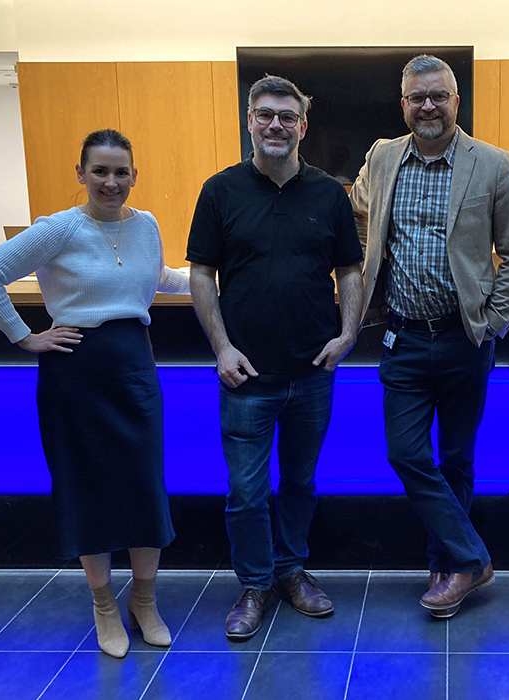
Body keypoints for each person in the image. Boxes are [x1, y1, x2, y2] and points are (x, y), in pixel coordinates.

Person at [0, 129, 190, 658]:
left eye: (121, 172)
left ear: (135, 175)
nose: (111, 182)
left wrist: (214, 278)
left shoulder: (147, 225)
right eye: (100, 171)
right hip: (75, 375)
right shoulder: (58, 228)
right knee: (86, 490)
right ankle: (104, 608)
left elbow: (156, 276)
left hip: (135, 371)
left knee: (144, 487)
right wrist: (24, 336)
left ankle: (144, 601)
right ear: (81, 175)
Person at [350, 55, 509, 619]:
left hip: (464, 340)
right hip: (402, 338)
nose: (427, 106)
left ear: (456, 100)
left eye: (438, 95)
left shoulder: (493, 165)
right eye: (415, 97)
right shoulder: (382, 157)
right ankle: (472, 559)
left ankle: (448, 567)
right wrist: (368, 255)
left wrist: (493, 323)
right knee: (405, 453)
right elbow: (358, 210)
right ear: (402, 104)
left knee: (456, 457)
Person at [186, 75, 364, 640]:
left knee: (301, 483)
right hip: (246, 375)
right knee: (245, 491)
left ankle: (290, 571)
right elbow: (200, 273)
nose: (275, 125)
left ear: (303, 126)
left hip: (312, 371)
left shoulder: (329, 195)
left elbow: (351, 271)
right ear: (250, 121)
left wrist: (348, 335)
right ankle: (255, 584)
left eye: (287, 116)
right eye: (264, 114)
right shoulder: (220, 192)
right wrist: (222, 347)